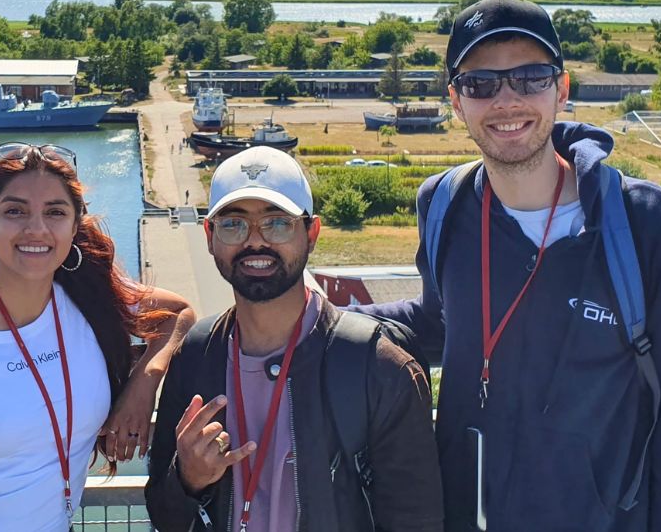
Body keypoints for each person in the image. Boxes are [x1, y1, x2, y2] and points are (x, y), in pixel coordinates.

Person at [354, 0, 661, 531]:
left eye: (530, 78)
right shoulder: (444, 205)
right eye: (481, 84)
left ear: (561, 89)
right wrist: (320, 320)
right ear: (456, 100)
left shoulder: (649, 225)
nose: (507, 100)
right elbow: (439, 322)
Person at [0, 142, 195, 532]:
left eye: (55, 212)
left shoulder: (90, 302)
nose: (36, 229)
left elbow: (178, 314)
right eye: (15, 211)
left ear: (75, 226)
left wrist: (142, 386)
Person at [145, 146, 443, 531]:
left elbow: (417, 520)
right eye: (233, 224)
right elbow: (163, 515)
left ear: (312, 233)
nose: (255, 241)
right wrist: (187, 480)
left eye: (278, 223)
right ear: (209, 235)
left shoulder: (380, 368)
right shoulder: (196, 358)